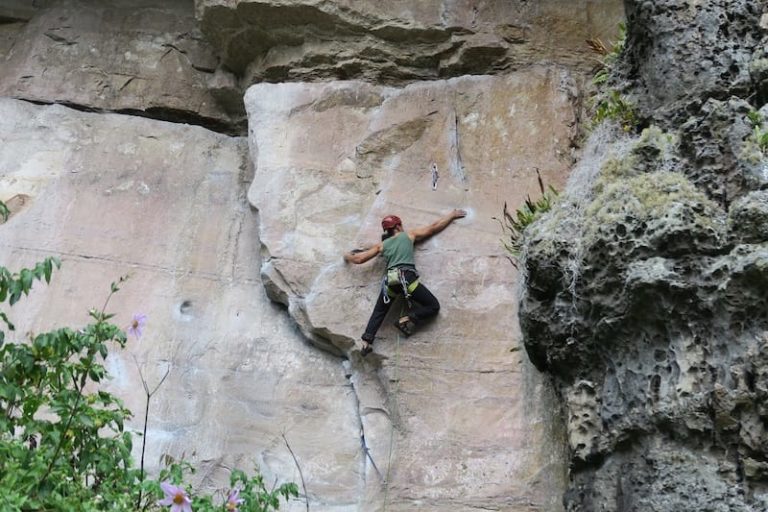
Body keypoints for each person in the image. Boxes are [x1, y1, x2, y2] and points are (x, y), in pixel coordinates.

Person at [343, 209, 467, 356]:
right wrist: (451, 215)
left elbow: (359, 259)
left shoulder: (382, 245)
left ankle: (367, 342)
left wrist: (347, 255)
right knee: (433, 306)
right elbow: (433, 227)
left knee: (379, 311)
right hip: (407, 280)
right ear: (398, 226)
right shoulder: (409, 235)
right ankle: (407, 319)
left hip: (390, 282)